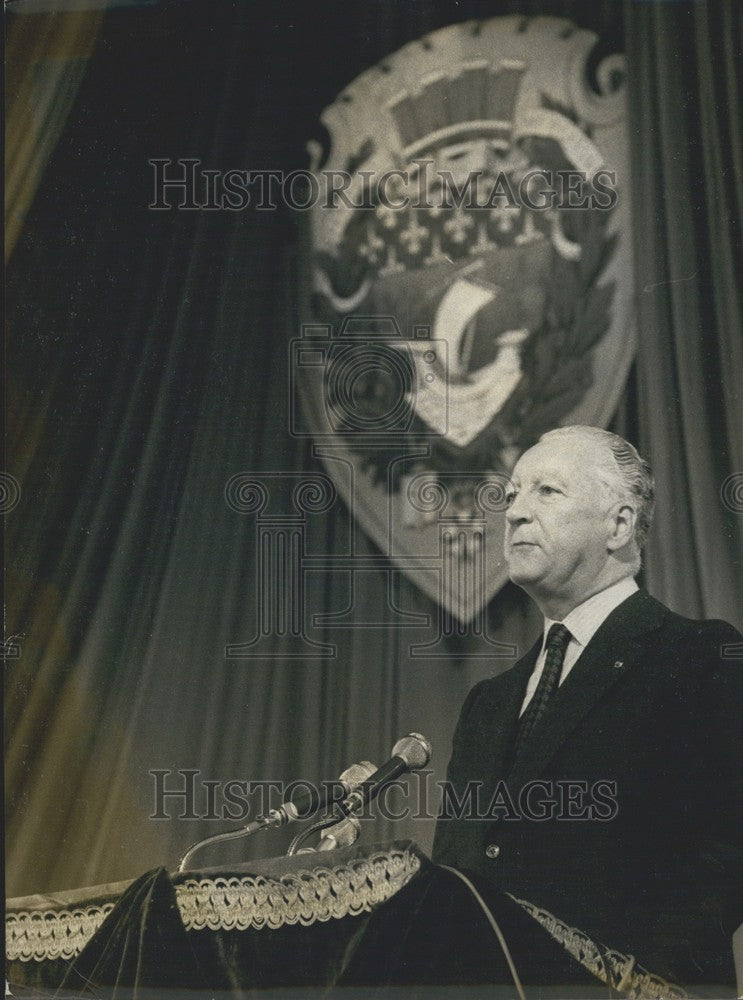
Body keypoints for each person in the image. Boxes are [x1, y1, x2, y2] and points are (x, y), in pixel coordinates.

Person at [432, 425, 743, 992]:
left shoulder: (700, 657)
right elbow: (457, 873)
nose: (514, 512)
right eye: (512, 494)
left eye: (547, 491)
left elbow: (726, 855)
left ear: (619, 525)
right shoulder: (487, 704)